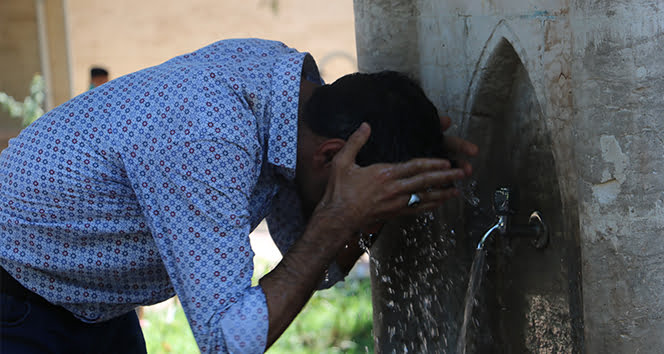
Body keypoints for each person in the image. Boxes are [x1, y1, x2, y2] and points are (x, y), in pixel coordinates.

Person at [0, 39, 477, 353]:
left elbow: (311, 264)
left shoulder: (288, 94)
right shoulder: (209, 136)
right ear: (331, 154)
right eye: (360, 190)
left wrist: (395, 183)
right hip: (16, 293)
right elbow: (228, 340)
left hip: (92, 304)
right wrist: (340, 216)